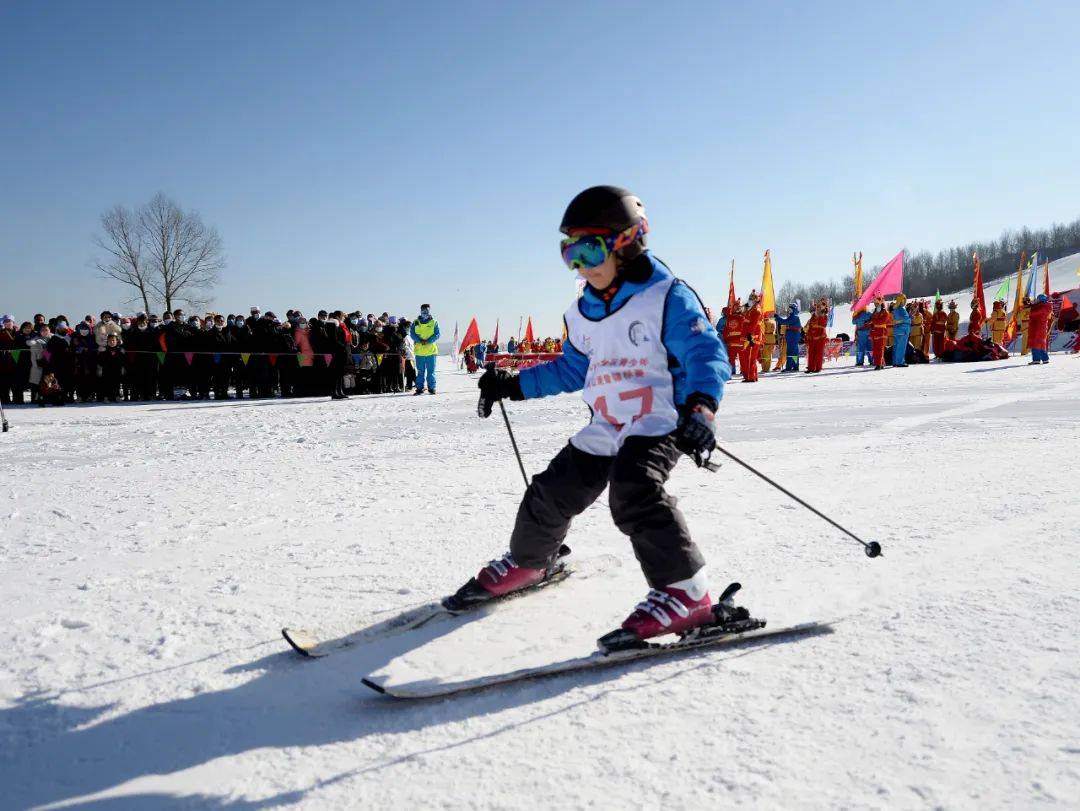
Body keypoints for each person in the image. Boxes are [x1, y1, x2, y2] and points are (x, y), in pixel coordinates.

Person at [464, 185, 731, 648]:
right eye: (569, 252)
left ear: (628, 242)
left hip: (659, 419)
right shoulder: (582, 312)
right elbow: (572, 367)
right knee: (551, 490)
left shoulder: (666, 296)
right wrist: (512, 384)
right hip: (607, 424)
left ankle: (688, 594)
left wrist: (702, 407)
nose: (579, 264)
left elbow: (706, 352)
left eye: (588, 248)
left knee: (635, 490)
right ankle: (531, 560)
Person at [410, 304, 440, 394]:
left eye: (427, 310)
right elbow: (412, 334)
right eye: (423, 310)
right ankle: (419, 388)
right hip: (419, 352)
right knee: (420, 372)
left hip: (431, 351)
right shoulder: (415, 322)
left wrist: (428, 341)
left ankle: (432, 388)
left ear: (429, 310)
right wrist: (419, 340)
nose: (425, 312)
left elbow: (437, 334)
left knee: (431, 371)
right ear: (420, 310)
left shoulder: (434, 322)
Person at [1027, 294, 1054, 364]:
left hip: (1040, 327)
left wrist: (1031, 308)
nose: (1036, 300)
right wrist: (1032, 306)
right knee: (1040, 343)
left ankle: (1036, 359)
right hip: (1038, 327)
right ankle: (1045, 359)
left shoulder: (1045, 306)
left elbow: (1036, 313)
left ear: (1041, 299)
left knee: (1036, 343)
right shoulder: (1042, 306)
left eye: (1038, 299)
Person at [774, 303, 801, 371]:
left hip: (793, 336)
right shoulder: (793, 316)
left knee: (790, 352)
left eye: (790, 309)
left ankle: (789, 367)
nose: (789, 310)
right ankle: (795, 366)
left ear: (794, 309)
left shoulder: (794, 316)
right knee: (794, 352)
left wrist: (777, 317)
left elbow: (785, 322)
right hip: (793, 336)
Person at [741, 293, 762, 382]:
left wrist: (749, 335)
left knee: (750, 358)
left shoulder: (756, 310)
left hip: (752, 337)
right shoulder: (750, 309)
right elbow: (741, 312)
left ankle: (750, 377)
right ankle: (753, 375)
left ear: (755, 300)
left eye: (751, 299)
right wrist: (745, 306)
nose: (749, 301)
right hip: (748, 335)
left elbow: (753, 324)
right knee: (749, 357)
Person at [804, 300, 827, 373]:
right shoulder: (813, 316)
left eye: (819, 307)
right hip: (812, 337)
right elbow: (810, 326)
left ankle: (817, 368)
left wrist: (816, 324)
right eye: (817, 307)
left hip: (820, 338)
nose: (818, 308)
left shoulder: (824, 316)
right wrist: (808, 335)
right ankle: (810, 368)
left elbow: (823, 325)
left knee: (818, 354)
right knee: (811, 354)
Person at [869, 297, 889, 370]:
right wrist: (869, 323)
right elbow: (872, 321)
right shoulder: (874, 312)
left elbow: (882, 321)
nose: (875, 305)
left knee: (880, 349)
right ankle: (881, 363)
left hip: (881, 332)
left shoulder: (885, 312)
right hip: (875, 332)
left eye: (877, 303)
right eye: (875, 303)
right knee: (875, 349)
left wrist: (873, 321)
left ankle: (879, 364)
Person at [892, 294, 911, 367]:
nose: (905, 301)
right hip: (903, 331)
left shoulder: (895, 309)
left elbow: (896, 320)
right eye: (904, 299)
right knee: (901, 347)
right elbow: (904, 319)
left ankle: (895, 361)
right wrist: (910, 318)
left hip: (897, 331)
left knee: (896, 346)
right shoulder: (901, 309)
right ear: (901, 300)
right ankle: (900, 362)